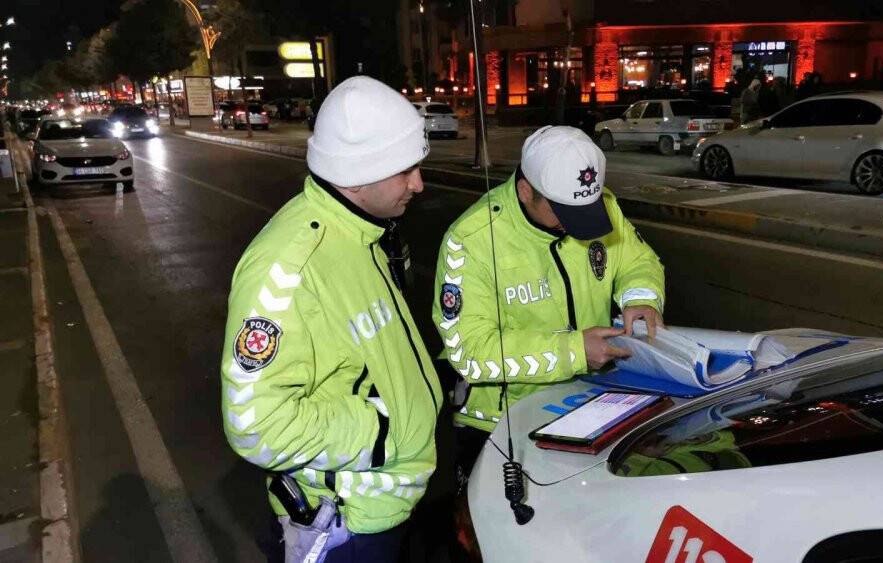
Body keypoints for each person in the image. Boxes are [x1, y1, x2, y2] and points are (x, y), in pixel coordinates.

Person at [220, 75, 442, 563]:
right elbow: (256, 426)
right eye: (406, 170)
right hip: (348, 527)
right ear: (358, 173)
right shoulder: (289, 269)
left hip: (389, 506)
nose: (419, 184)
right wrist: (389, 433)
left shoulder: (362, 232)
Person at [432, 125, 665, 480]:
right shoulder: (472, 240)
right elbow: (470, 352)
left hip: (591, 402)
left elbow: (637, 261)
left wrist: (642, 299)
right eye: (564, 214)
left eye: (585, 211)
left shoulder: (601, 207)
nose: (575, 227)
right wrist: (573, 351)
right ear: (526, 191)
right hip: (503, 423)